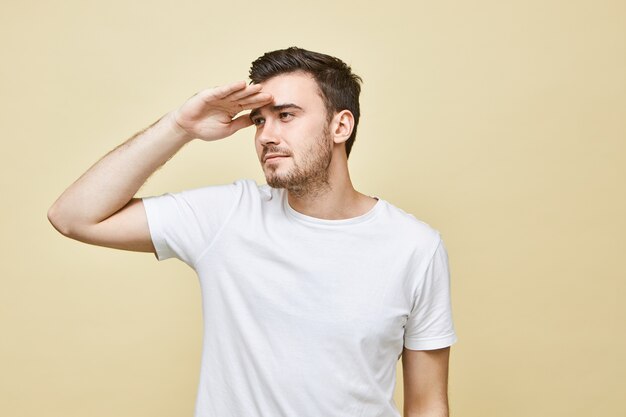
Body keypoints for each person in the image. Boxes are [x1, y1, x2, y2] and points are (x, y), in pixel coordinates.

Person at [48, 47, 457, 417]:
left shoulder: (415, 248)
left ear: (340, 126)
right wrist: (180, 125)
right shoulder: (227, 216)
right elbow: (74, 216)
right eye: (259, 120)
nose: (266, 136)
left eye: (286, 115)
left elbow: (427, 403)